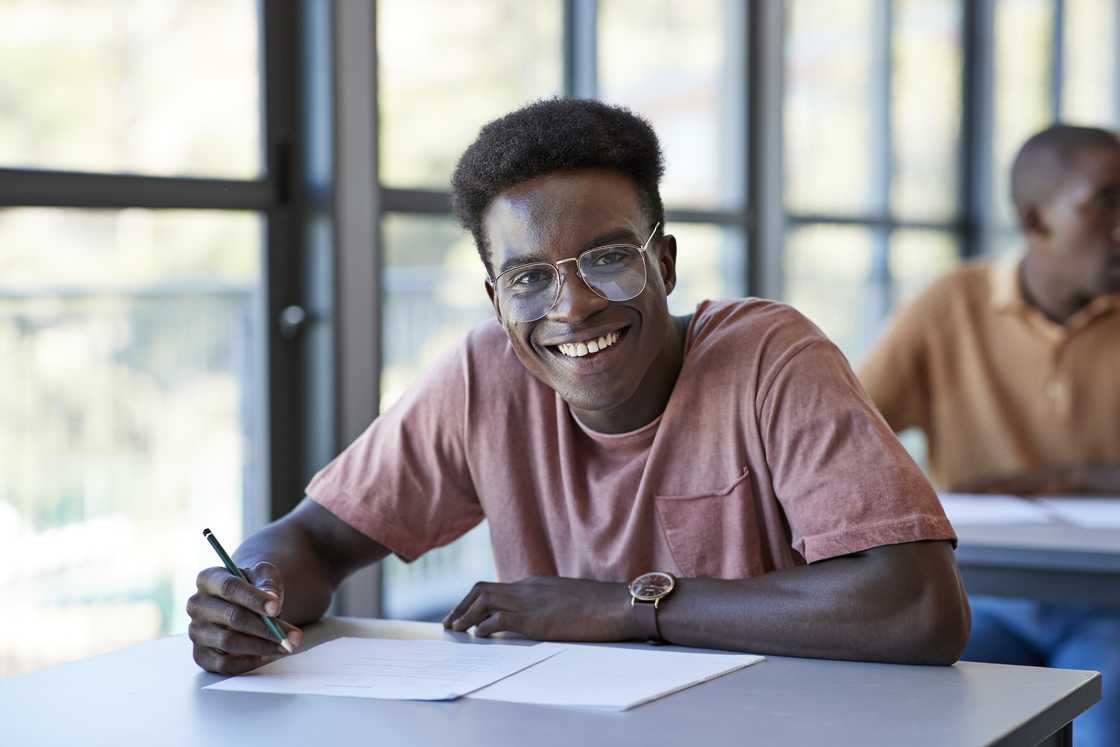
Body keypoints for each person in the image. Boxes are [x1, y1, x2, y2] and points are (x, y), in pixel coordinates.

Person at [187, 98, 968, 676]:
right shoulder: (483, 372)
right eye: (529, 276)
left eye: (607, 258)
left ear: (663, 263)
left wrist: (622, 606)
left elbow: (920, 607)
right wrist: (252, 590)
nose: (573, 305)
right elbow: (314, 540)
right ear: (498, 300)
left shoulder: (769, 357)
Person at [860, 124, 1120, 747]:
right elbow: (845, 435)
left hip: (1111, 604)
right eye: (1105, 202)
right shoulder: (951, 303)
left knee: (1104, 719)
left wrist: (1079, 476)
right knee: (911, 711)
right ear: (1035, 220)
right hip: (980, 594)